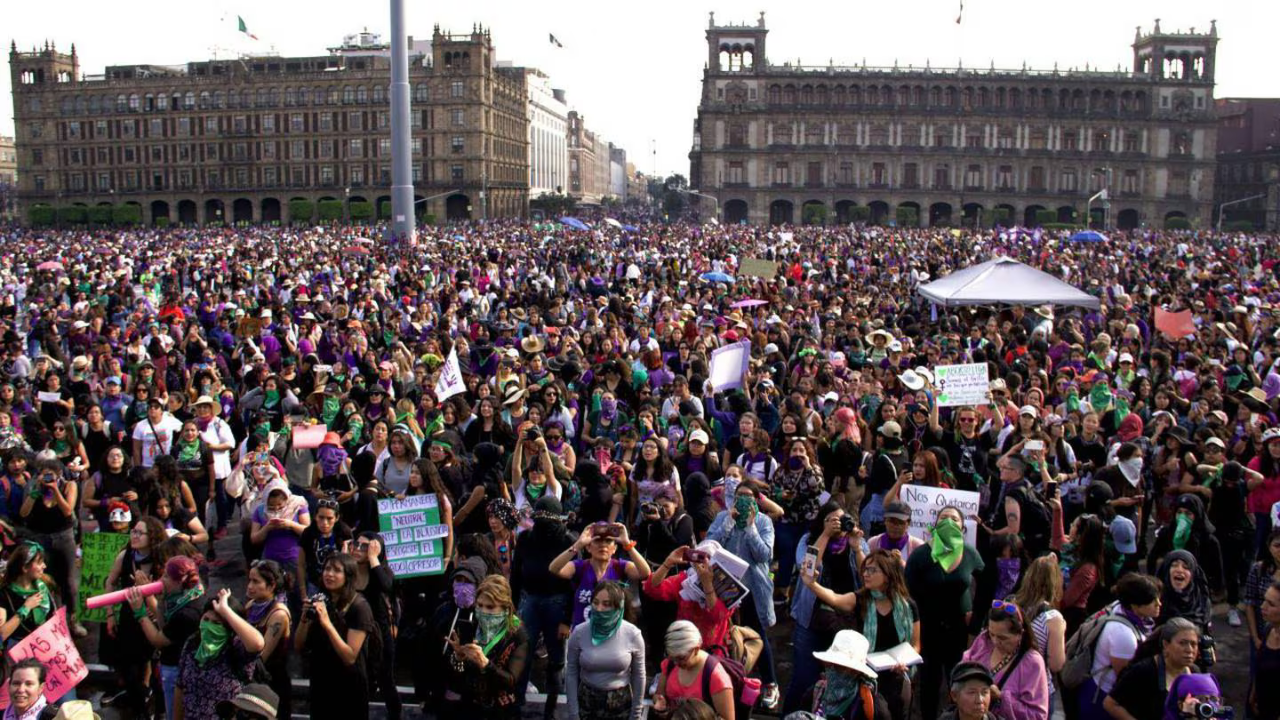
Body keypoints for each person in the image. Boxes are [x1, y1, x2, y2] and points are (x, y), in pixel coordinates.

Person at [803, 550, 919, 720]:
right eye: (865, 569)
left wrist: (904, 662)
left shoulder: (908, 606)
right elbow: (835, 598)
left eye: (872, 570)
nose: (865, 574)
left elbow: (915, 644)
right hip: (864, 674)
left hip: (897, 676)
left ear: (888, 575)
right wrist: (811, 584)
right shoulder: (861, 599)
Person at [905, 506, 985, 720]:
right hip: (927, 630)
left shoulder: (969, 554)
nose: (949, 521)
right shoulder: (921, 555)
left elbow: (987, 585)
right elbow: (907, 594)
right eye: (943, 517)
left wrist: (976, 620)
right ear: (935, 524)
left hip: (959, 632)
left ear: (962, 527)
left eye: (954, 518)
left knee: (958, 682)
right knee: (928, 684)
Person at [705, 481, 778, 707]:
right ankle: (727, 679)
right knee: (722, 634)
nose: (743, 501)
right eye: (739, 497)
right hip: (725, 588)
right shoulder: (722, 517)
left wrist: (750, 527)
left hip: (751, 589)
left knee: (756, 635)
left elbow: (764, 555)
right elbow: (709, 546)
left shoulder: (764, 522)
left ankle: (770, 683)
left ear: (756, 500)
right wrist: (728, 523)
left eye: (748, 497)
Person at [295, 553, 376, 720]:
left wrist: (327, 624)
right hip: (321, 683)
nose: (329, 574)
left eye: (337, 570)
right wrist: (304, 619)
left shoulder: (359, 607)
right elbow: (298, 645)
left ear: (348, 576)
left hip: (348, 688)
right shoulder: (321, 601)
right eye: (327, 569)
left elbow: (350, 657)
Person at [1075, 573, 1163, 720]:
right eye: (1152, 600)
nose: (1159, 604)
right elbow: (1125, 678)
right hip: (1102, 700)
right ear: (1135, 605)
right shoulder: (1123, 634)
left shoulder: (1121, 608)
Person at [128, 554, 206, 719]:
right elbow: (166, 623)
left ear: (179, 581)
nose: (161, 580)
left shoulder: (187, 613)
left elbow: (158, 639)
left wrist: (140, 613)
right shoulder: (190, 594)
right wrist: (150, 596)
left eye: (166, 577)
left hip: (177, 669)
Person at [440, 574, 528, 718]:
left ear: (505, 608)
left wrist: (485, 664)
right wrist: (458, 658)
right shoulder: (471, 625)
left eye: (490, 607)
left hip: (501, 710)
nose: (483, 611)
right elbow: (455, 678)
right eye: (480, 605)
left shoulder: (517, 634)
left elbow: (511, 681)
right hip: (470, 706)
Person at [172, 588, 267, 720]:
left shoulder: (237, 647)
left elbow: (258, 644)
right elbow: (180, 687)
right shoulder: (193, 643)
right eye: (206, 619)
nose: (208, 626)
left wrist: (225, 610)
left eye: (216, 623)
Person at [565, 581, 646, 720]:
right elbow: (571, 671)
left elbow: (639, 675)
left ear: (618, 607)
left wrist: (636, 713)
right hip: (587, 703)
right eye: (595, 603)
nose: (599, 609)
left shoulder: (632, 634)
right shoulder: (579, 632)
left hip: (620, 704)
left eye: (606, 604)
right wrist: (573, 712)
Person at [959, 601, 1050, 720]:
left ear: (1020, 634)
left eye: (1003, 638)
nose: (995, 641)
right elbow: (963, 666)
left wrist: (1001, 698)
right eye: (992, 634)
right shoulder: (984, 640)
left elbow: (1037, 716)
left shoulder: (1032, 662)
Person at [548, 521, 651, 626]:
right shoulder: (580, 567)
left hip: (611, 631)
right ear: (588, 547)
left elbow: (645, 573)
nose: (603, 545)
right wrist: (578, 544)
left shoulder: (620, 566)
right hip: (582, 632)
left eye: (608, 541)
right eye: (597, 540)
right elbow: (554, 568)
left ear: (614, 549)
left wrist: (627, 543)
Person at [1102, 617, 1199, 720]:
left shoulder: (1195, 672)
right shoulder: (1144, 670)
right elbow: (1110, 704)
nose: (1189, 650)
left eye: (1193, 644)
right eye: (1182, 643)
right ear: (1166, 645)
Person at [1012, 556, 1067, 720]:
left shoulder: (1011, 605)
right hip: (1037, 688)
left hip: (1011, 683)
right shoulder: (1052, 618)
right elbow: (1056, 664)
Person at [653, 620, 735, 720]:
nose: (676, 663)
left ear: (696, 649)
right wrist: (659, 703)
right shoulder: (670, 664)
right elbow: (659, 694)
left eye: (681, 658)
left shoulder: (716, 677)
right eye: (672, 657)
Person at [243, 559, 293, 720]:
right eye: (249, 580)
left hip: (271, 682)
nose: (250, 586)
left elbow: (261, 656)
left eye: (256, 581)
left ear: (271, 586)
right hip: (251, 679)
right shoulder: (251, 605)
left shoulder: (279, 614)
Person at [810, 630, 892, 720]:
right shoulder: (816, 691)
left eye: (838, 665)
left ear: (855, 671)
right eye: (828, 663)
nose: (832, 669)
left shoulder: (871, 706)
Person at [0, 541, 61, 647]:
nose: (44, 566)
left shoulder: (43, 585)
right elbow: (1, 636)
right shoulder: (4, 594)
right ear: (25, 568)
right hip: (18, 649)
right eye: (39, 563)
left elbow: (52, 617)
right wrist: (25, 608)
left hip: (45, 646)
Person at [1251, 581, 1280, 720]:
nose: (1263, 606)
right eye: (1264, 600)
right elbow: (1260, 666)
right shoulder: (1268, 630)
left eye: (1271, 604)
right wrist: (1254, 691)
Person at [866, 501, 925, 565]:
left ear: (908, 523)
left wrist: (901, 562)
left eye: (900, 522)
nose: (895, 526)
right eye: (892, 521)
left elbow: (921, 571)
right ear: (885, 521)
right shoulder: (873, 543)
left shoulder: (917, 546)